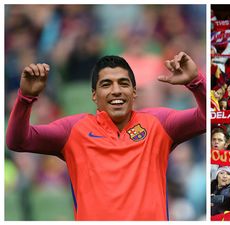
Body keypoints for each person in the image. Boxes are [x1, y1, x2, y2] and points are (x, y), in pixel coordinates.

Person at [6, 52, 206, 220]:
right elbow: (18, 141)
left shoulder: (159, 123)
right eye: (106, 84)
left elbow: (208, 118)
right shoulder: (73, 130)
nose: (116, 90)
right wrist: (25, 98)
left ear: (134, 92)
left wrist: (197, 82)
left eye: (123, 83)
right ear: (94, 95)